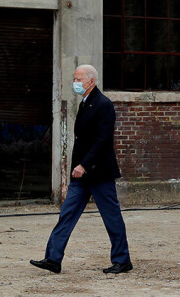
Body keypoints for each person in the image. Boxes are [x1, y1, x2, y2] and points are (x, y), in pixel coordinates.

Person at [30, 65, 132, 274]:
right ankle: (53, 259)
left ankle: (122, 260)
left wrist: (84, 165)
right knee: (67, 215)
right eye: (74, 78)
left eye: (78, 79)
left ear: (91, 81)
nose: (75, 83)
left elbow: (103, 141)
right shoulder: (86, 103)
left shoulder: (103, 105)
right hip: (82, 175)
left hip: (98, 172)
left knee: (111, 216)